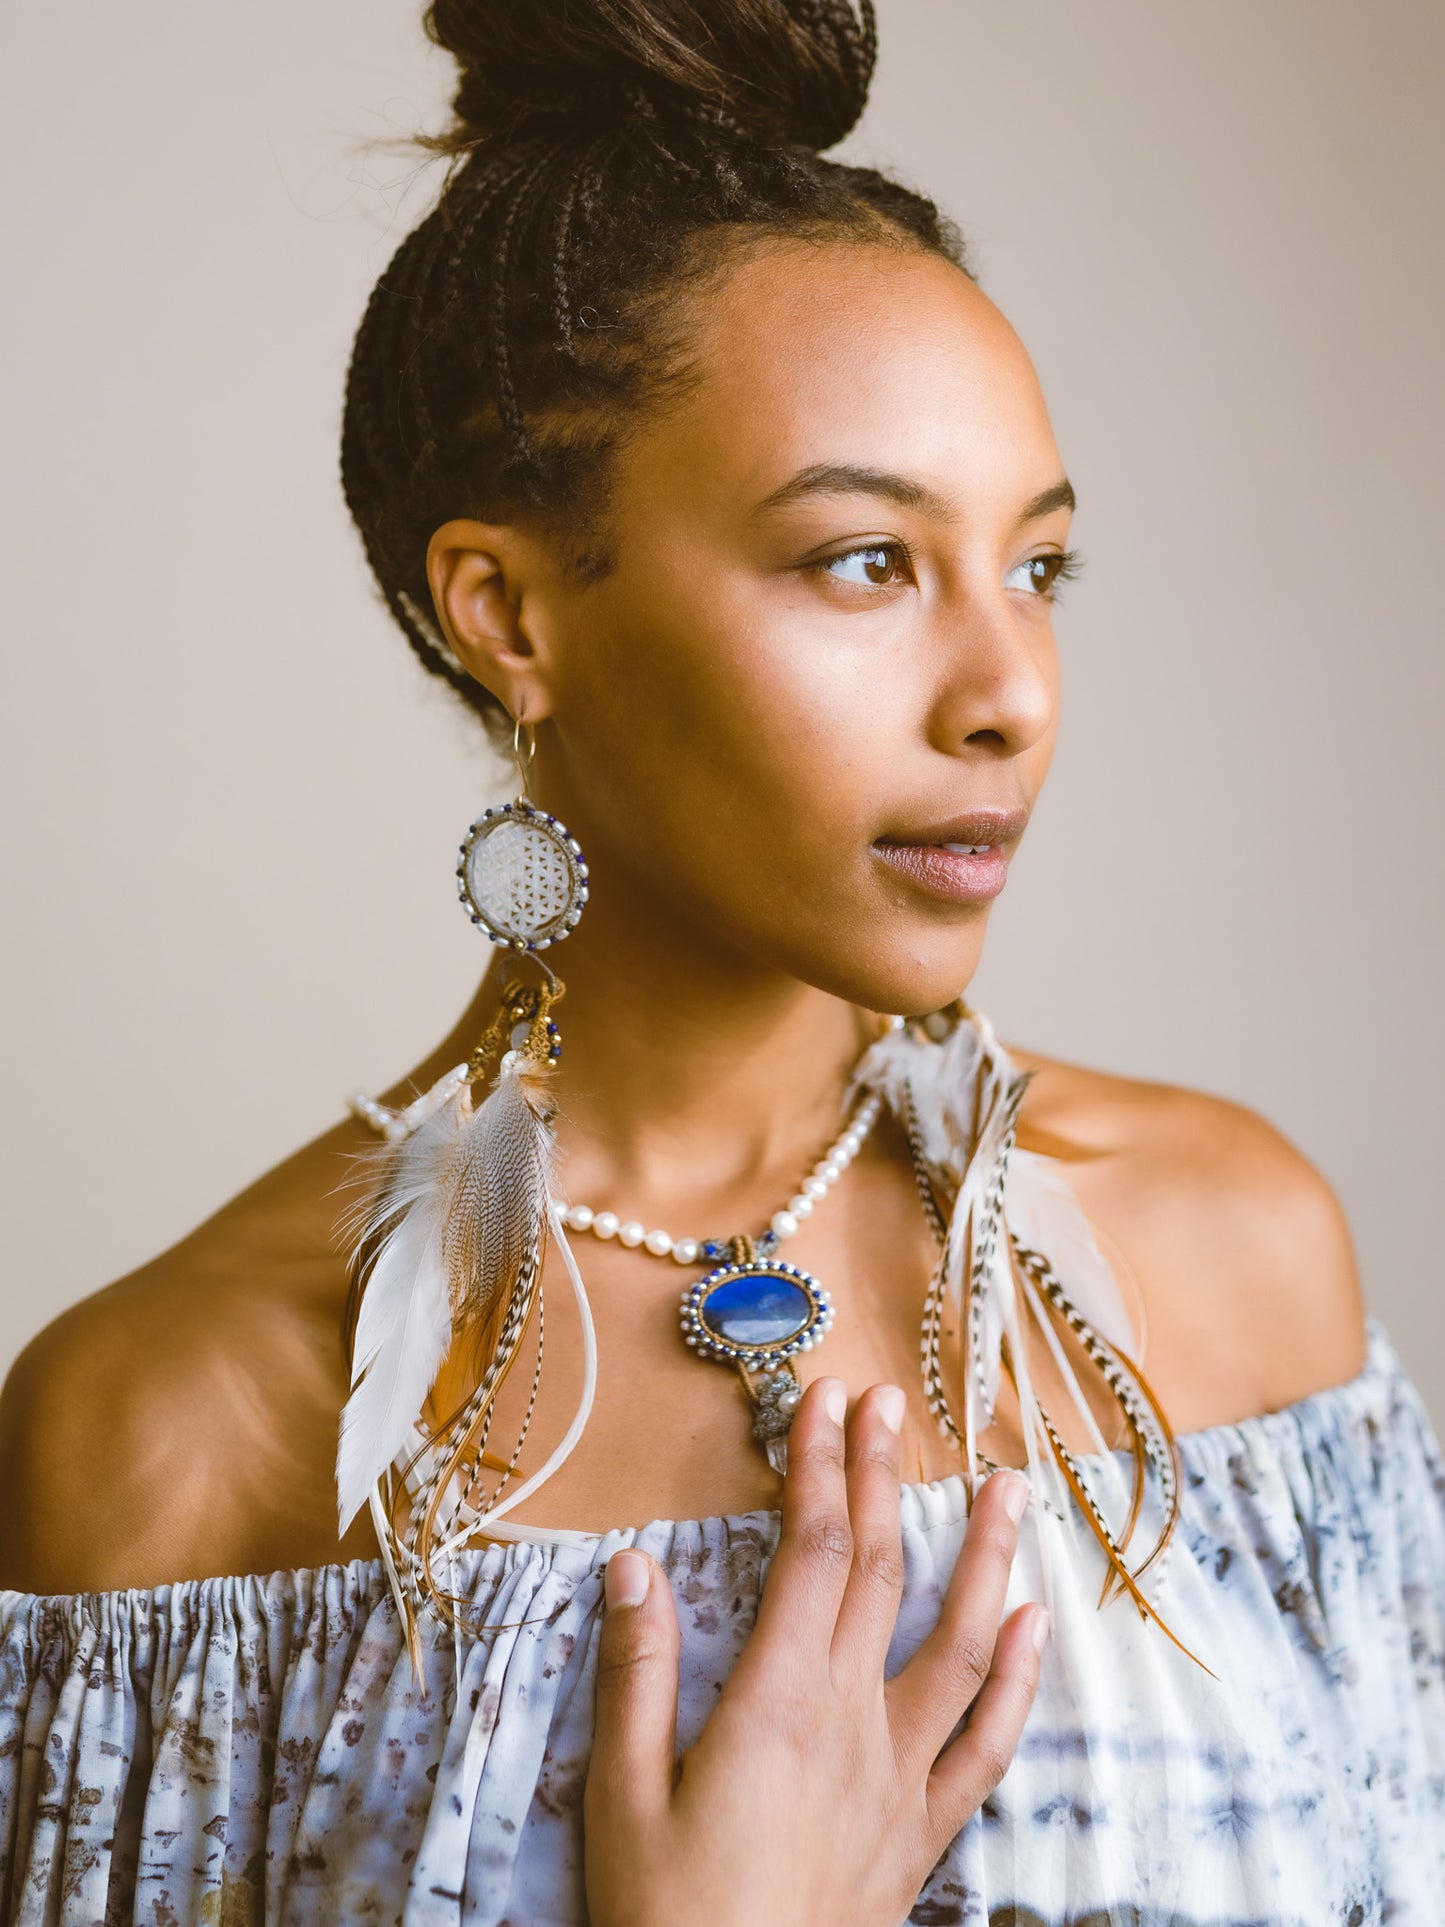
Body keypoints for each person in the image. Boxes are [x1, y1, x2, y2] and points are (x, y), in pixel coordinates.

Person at [2, 1, 1442, 1922]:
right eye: (861, 560)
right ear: (506, 612)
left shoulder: (1230, 1268)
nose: (1009, 691)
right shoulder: (179, 1441)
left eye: (1035, 566)